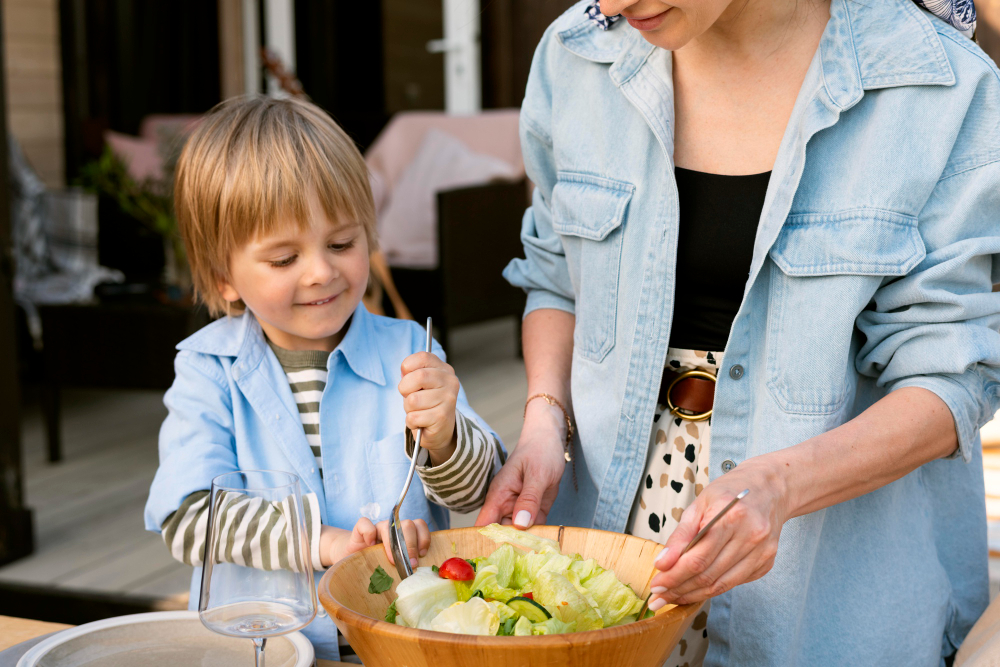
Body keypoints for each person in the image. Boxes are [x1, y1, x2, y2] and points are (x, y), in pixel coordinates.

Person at [478, 0, 1000, 664]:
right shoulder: (576, 55)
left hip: (826, 593)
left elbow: (949, 381)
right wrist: (544, 419)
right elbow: (555, 275)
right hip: (604, 568)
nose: (609, 5)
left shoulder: (939, 86)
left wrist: (781, 486)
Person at [144, 96, 505, 661]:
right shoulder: (208, 370)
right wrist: (322, 543)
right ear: (224, 277)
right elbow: (191, 520)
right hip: (260, 648)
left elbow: (480, 491)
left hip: (396, 640)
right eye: (284, 259)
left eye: (341, 243)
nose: (321, 271)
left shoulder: (409, 349)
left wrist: (445, 440)